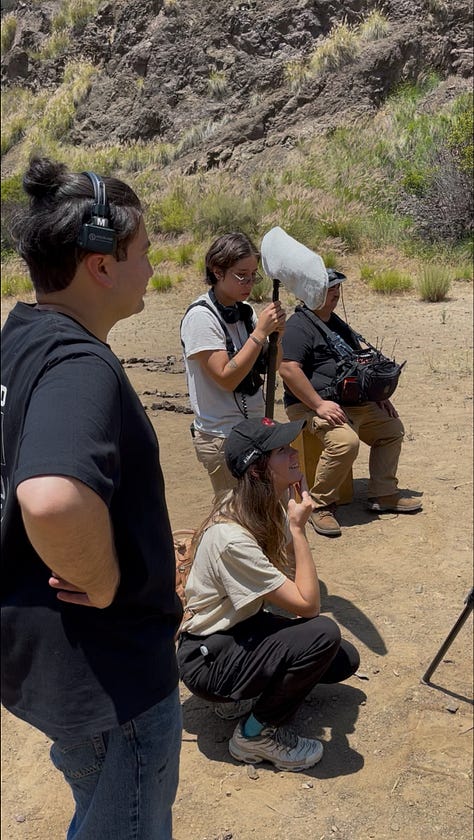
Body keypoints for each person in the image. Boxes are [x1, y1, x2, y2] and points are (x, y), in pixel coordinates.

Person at [1, 157, 182, 840]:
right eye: (145, 253)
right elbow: (50, 499)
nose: (152, 270)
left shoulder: (19, 336)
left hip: (57, 666)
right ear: (101, 265)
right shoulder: (80, 365)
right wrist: (103, 578)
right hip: (114, 682)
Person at [177, 416, 360, 772]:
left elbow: (291, 576)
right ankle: (253, 734)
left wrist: (291, 522)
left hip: (240, 628)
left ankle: (244, 694)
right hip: (207, 656)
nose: (294, 453)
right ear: (257, 468)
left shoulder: (264, 504)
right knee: (323, 633)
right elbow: (308, 605)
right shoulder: (232, 537)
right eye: (281, 450)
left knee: (342, 659)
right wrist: (299, 530)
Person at [279, 268, 422, 538]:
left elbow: (357, 365)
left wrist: (378, 396)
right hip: (308, 404)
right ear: (311, 292)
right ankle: (319, 505)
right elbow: (287, 369)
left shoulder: (335, 323)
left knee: (391, 429)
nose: (336, 293)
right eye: (329, 289)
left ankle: (383, 493)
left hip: (349, 401)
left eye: (337, 288)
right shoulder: (298, 327)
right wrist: (319, 404)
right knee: (345, 442)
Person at [180, 232, 286, 497]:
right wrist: (260, 333)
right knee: (234, 513)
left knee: (263, 507)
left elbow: (272, 367)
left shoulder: (245, 312)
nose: (249, 283)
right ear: (218, 272)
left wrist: (278, 337)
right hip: (222, 437)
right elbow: (226, 378)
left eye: (253, 275)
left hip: (254, 430)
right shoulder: (201, 317)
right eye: (241, 275)